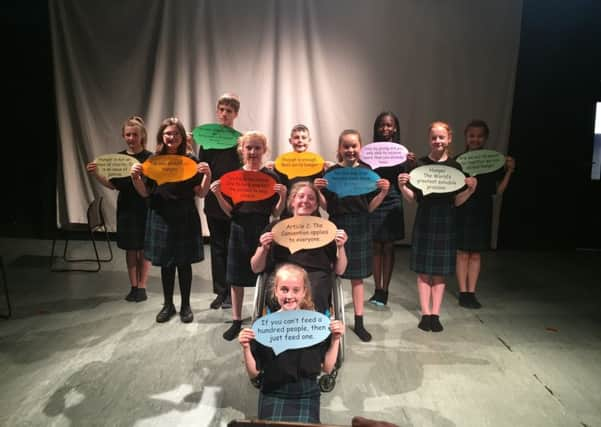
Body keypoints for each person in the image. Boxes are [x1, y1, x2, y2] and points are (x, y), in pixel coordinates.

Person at [238, 263, 344, 423]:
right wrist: (246, 347)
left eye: (296, 290)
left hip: (306, 392)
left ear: (304, 292)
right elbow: (254, 373)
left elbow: (328, 368)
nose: (289, 295)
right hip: (273, 390)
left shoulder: (316, 326)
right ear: (275, 291)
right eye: (284, 289)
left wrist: (336, 339)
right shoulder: (264, 328)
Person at [398, 121, 477, 332]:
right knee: (424, 271)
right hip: (425, 218)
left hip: (447, 220)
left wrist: (470, 190)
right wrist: (402, 186)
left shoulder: (455, 167)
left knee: (440, 272)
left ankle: (436, 313)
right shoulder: (420, 165)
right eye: (434, 137)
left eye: (441, 137)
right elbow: (412, 199)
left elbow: (457, 201)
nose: (438, 141)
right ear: (429, 139)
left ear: (449, 139)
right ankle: (425, 314)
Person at [131, 117, 211, 323]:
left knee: (184, 264)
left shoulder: (191, 160)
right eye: (168, 133)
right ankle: (168, 305)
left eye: (176, 133)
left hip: (185, 215)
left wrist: (207, 175)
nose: (171, 137)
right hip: (160, 215)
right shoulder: (153, 160)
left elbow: (201, 193)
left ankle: (185, 306)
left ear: (182, 137)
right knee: (166, 264)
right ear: (161, 136)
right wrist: (136, 179)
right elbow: (144, 193)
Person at [211, 131, 287, 340]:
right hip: (238, 228)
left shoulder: (271, 177)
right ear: (242, 150)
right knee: (236, 278)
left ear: (264, 150)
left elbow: (276, 213)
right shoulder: (233, 178)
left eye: (257, 148)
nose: (253, 152)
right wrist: (217, 194)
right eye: (249, 148)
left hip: (263, 229)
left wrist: (283, 196)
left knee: (264, 276)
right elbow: (229, 211)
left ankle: (261, 319)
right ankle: (236, 321)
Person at [317, 129, 390, 342]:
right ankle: (328, 319)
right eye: (346, 146)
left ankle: (359, 322)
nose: (350, 150)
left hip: (361, 225)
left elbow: (370, 207)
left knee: (357, 278)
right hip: (337, 225)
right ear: (339, 149)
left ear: (360, 147)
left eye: (354, 146)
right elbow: (326, 206)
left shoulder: (368, 172)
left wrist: (384, 192)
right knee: (332, 273)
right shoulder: (330, 174)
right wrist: (319, 191)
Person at [250, 181, 348, 313]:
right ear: (292, 202)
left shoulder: (325, 230)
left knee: (315, 293)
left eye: (311, 198)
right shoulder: (276, 228)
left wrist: (341, 247)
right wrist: (263, 248)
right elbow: (256, 268)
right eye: (301, 196)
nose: (305, 201)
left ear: (316, 205)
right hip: (282, 274)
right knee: (280, 291)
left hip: (315, 277)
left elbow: (340, 271)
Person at [86, 116, 152, 302]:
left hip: (145, 208)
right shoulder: (118, 159)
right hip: (126, 209)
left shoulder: (150, 158)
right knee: (130, 249)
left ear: (142, 136)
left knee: (144, 249)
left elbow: (150, 189)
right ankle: (133, 286)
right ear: (123, 136)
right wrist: (96, 174)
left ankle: (143, 286)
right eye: (128, 135)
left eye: (135, 135)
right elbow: (113, 185)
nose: (131, 138)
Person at [455, 119, 516, 308]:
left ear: (485, 138)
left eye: (479, 136)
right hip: (464, 208)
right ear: (466, 137)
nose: (475, 139)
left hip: (483, 209)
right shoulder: (458, 162)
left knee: (476, 254)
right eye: (472, 135)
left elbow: (498, 191)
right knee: (463, 252)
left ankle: (471, 291)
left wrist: (509, 172)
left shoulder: (494, 162)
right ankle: (462, 292)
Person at [197, 93, 242, 310]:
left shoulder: (240, 140)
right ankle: (220, 292)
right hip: (214, 199)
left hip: (235, 200)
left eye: (229, 111)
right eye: (222, 109)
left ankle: (233, 290)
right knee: (217, 247)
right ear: (217, 111)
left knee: (233, 246)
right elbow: (201, 168)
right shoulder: (206, 139)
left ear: (236, 114)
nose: (224, 114)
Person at [368, 112, 416, 306]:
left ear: (395, 128)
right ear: (376, 128)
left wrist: (411, 165)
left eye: (389, 125)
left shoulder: (403, 153)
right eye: (382, 125)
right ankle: (377, 288)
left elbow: (408, 179)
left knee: (388, 246)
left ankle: (385, 290)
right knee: (375, 246)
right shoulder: (369, 152)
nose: (385, 129)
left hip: (394, 200)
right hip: (376, 199)